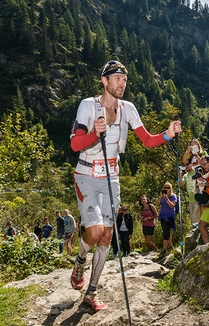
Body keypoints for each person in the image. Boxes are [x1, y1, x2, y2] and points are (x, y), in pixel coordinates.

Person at [69, 59, 181, 312]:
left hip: (112, 176)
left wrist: (167, 135)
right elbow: (76, 145)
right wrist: (93, 134)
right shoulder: (88, 105)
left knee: (108, 233)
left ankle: (91, 292)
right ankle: (80, 261)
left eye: (125, 80)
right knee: (96, 231)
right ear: (104, 80)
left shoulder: (128, 108)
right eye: (117, 79)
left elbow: (147, 140)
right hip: (86, 174)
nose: (122, 84)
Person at [156, 182, 177, 253]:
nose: (166, 189)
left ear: (170, 188)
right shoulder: (162, 196)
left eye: (168, 187)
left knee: (166, 232)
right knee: (166, 231)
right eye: (165, 187)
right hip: (163, 216)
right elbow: (157, 204)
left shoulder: (173, 196)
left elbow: (172, 206)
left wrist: (166, 199)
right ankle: (170, 246)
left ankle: (164, 249)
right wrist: (160, 197)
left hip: (170, 216)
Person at [179, 161, 200, 226]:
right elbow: (181, 185)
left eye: (187, 164)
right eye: (184, 165)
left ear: (191, 164)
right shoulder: (185, 175)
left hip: (198, 199)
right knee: (192, 217)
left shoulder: (196, 172)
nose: (186, 166)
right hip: (191, 200)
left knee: (195, 216)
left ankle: (196, 231)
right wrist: (180, 175)